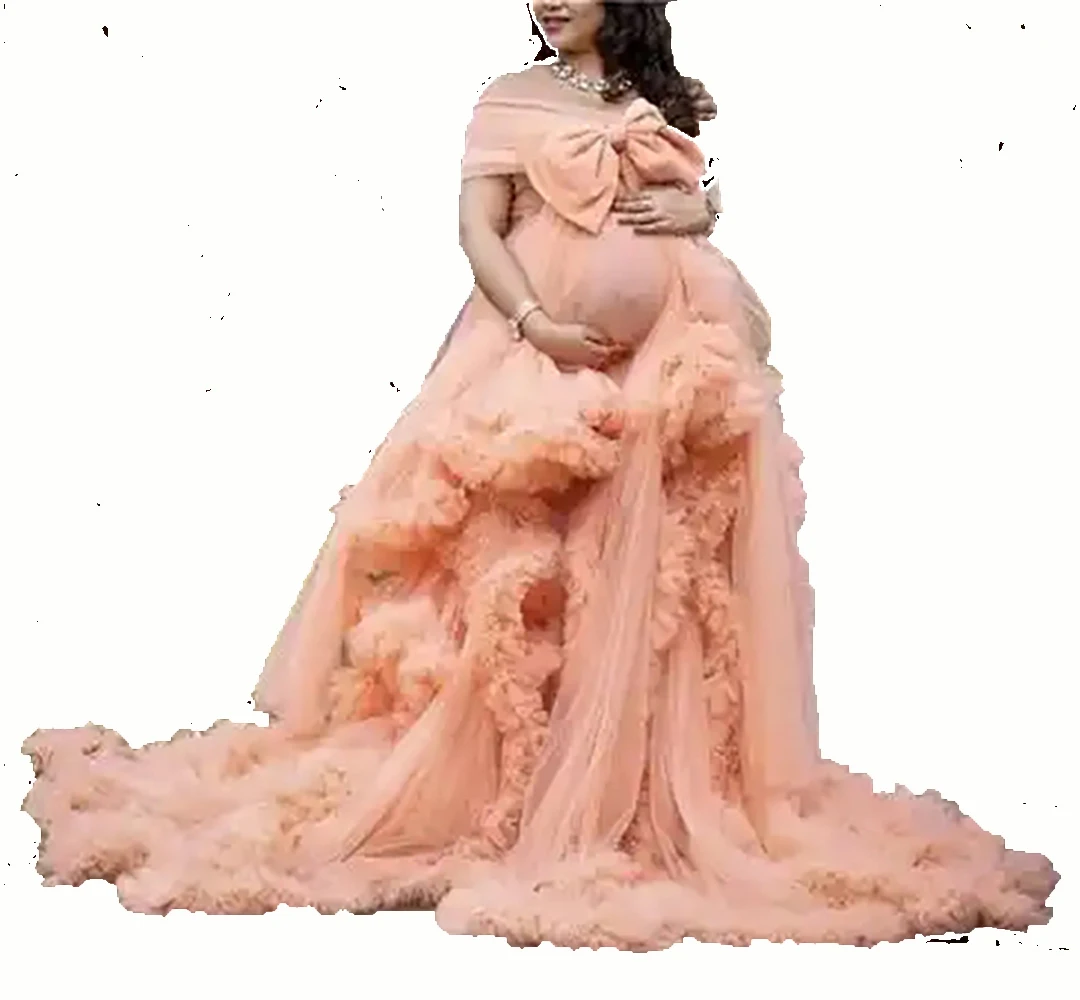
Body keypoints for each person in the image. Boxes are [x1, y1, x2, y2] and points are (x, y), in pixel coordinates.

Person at [22, 0, 1057, 951]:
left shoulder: (654, 95)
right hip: (532, 353)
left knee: (644, 577)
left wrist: (699, 212)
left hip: (670, 365)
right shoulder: (509, 100)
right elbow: (477, 229)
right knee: (518, 564)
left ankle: (625, 787)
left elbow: (687, 204)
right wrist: (538, 323)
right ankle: (511, 784)